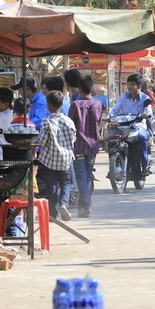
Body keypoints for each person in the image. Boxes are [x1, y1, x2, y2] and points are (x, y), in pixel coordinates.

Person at [36, 91, 77, 222]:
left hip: (50, 160)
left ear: (48, 105)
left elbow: (42, 141)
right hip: (65, 159)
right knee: (66, 183)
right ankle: (64, 204)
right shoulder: (68, 121)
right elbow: (73, 139)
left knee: (51, 186)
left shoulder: (46, 122)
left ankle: (53, 214)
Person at [67, 75, 104, 217]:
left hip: (79, 144)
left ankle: (87, 204)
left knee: (81, 176)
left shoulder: (75, 105)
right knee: (88, 176)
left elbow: (71, 125)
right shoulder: (98, 105)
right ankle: (83, 208)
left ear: (80, 90)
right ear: (92, 89)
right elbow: (99, 122)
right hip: (93, 145)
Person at [111, 74, 153, 173]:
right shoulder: (124, 97)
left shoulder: (145, 98)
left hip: (139, 126)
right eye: (128, 84)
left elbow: (148, 110)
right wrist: (108, 116)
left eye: (132, 84)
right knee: (111, 138)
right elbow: (115, 109)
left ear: (139, 86)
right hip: (124, 125)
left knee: (142, 137)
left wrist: (146, 114)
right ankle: (112, 167)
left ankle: (144, 166)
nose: (129, 87)